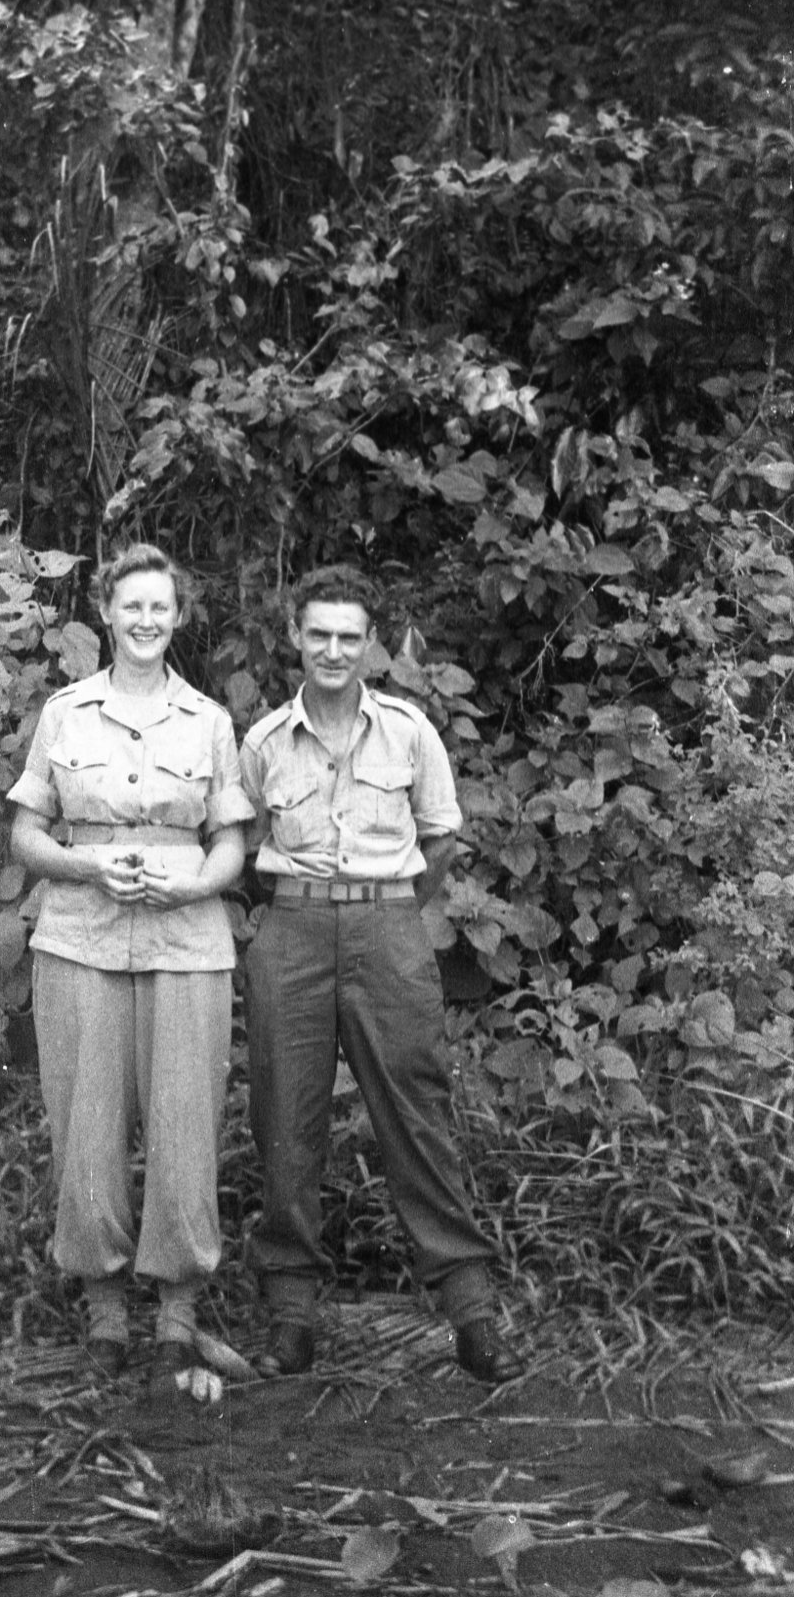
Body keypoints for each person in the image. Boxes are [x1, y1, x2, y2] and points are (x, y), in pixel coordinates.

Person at [238, 565, 527, 1384]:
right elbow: (243, 847)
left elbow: (438, 839)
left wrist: (383, 909)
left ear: (371, 645)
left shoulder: (409, 732)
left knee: (416, 1113)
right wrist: (308, 908)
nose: (332, 649)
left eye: (348, 635)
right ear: (295, 636)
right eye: (317, 633)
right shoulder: (261, 742)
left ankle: (472, 1316)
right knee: (284, 1120)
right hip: (290, 930)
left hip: (388, 931)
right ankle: (291, 1318)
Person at [7, 543, 254, 1386]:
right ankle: (105, 1308)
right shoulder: (65, 713)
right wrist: (86, 866)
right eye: (131, 606)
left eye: (161, 608)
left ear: (177, 617)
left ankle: (177, 1313)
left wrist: (191, 885)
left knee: (186, 1124)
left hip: (188, 945)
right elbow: (26, 835)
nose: (146, 621)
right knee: (86, 1125)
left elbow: (232, 844)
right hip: (80, 936)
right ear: (106, 613)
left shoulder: (210, 721)